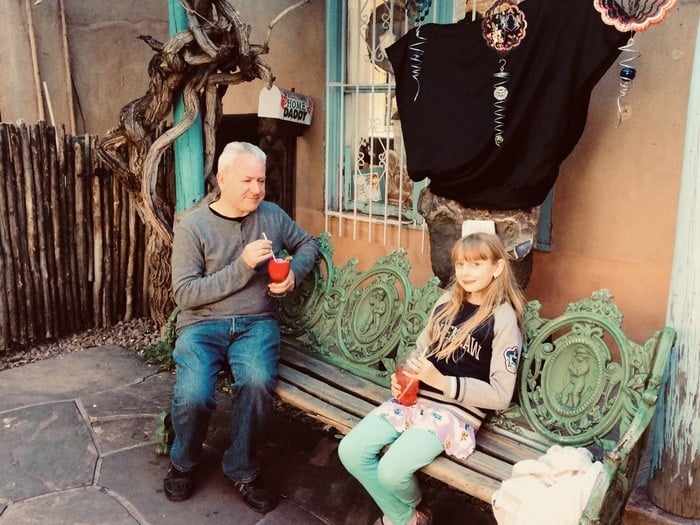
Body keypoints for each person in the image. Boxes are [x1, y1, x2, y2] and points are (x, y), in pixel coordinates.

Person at [163, 141, 319, 513]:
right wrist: (243, 267)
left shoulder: (272, 216)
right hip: (201, 326)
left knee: (256, 382)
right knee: (196, 394)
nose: (256, 189)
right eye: (247, 180)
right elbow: (184, 293)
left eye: (261, 180)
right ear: (222, 178)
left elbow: (308, 245)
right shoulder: (193, 227)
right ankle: (182, 461)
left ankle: (242, 468)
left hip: (256, 324)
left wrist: (294, 274)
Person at [338, 232, 525, 525]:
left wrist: (442, 382)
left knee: (390, 472)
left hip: (455, 413)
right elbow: (421, 349)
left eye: (476, 264)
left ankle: (403, 515)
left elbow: (501, 394)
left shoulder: (503, 319)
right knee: (350, 450)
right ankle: (408, 516)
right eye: (461, 264)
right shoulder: (448, 300)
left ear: (497, 268)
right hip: (415, 401)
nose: (466, 272)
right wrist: (405, 377)